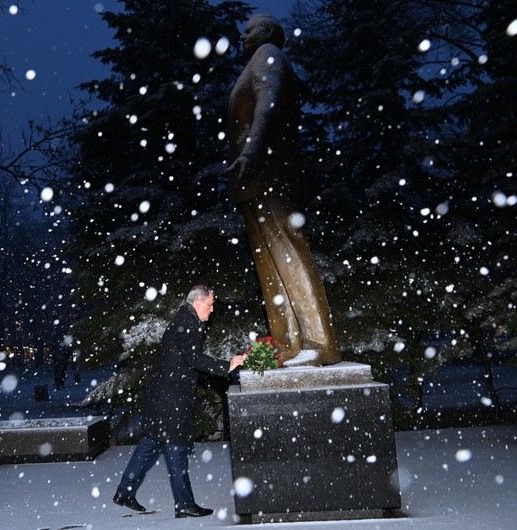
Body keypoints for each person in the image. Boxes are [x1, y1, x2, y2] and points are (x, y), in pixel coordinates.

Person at [226, 14, 341, 365]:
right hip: (255, 180)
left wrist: (251, 152)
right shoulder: (260, 59)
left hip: (270, 173)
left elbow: (268, 106)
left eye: (250, 30)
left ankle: (319, 343)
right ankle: (288, 344)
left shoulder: (268, 54)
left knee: (288, 251)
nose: (242, 36)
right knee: (270, 262)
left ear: (269, 32)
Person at [113, 285, 246, 518]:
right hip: (170, 397)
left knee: (150, 444)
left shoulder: (185, 319)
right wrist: (226, 366)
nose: (213, 309)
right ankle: (184, 503)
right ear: (198, 303)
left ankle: (125, 491)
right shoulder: (188, 322)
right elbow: (193, 358)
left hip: (163, 395)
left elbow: (186, 361)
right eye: (210, 304)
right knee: (176, 449)